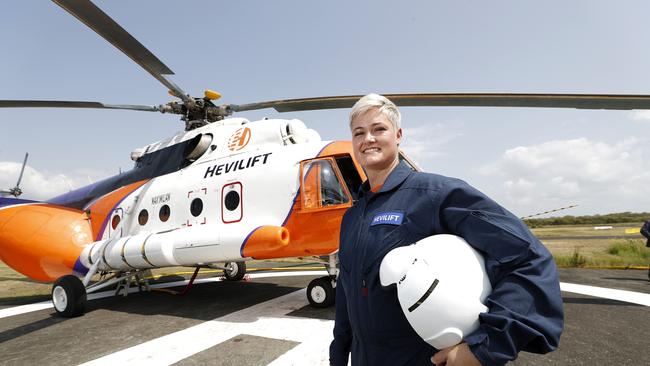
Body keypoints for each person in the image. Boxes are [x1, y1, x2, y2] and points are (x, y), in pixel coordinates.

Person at [329, 94, 564, 366]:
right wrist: (338, 357)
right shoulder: (353, 216)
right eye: (359, 133)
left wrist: (484, 348)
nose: (367, 139)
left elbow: (528, 258)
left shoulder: (434, 195)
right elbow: (347, 296)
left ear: (398, 135)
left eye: (378, 129)